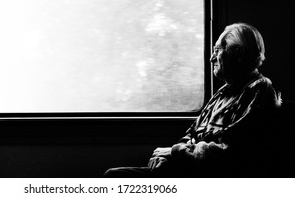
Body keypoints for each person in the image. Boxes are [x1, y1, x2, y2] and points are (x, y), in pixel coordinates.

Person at [104, 23, 281, 177]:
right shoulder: (223, 93)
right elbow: (192, 133)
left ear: (238, 53)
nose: (212, 58)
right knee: (115, 175)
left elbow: (231, 153)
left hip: (212, 178)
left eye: (217, 51)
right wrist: (166, 157)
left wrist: (174, 153)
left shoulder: (259, 92)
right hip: (191, 170)